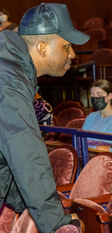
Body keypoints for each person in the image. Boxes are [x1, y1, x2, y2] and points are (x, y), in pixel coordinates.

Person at [0, 3, 89, 232]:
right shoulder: (8, 80)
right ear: (42, 47)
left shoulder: (11, 68)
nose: (72, 54)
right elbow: (26, 154)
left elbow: (7, 154)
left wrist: (20, 201)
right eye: (66, 45)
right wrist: (57, 224)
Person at [82, 79, 112, 149]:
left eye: (99, 95)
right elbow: (82, 139)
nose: (95, 98)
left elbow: (107, 145)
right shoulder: (91, 117)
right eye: (92, 96)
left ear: (110, 96)